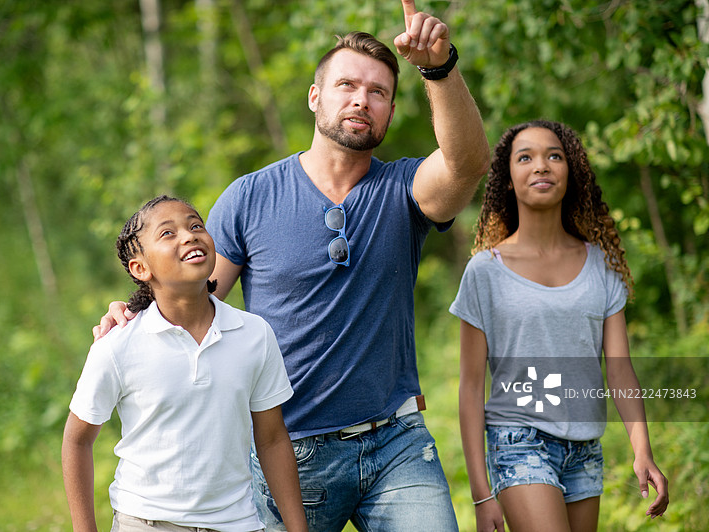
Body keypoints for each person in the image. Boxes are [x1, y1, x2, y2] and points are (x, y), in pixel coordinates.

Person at [94, 1, 490, 529]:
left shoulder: (403, 190)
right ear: (314, 96)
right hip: (289, 447)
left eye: (378, 93)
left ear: (391, 112)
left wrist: (438, 68)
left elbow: (468, 164)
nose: (362, 100)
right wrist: (133, 313)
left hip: (397, 443)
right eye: (347, 85)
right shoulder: (250, 197)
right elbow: (195, 298)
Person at [450, 120, 669, 532]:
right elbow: (470, 385)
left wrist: (643, 450)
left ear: (572, 174)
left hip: (585, 448)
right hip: (518, 441)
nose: (541, 166)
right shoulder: (485, 272)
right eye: (525, 157)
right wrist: (482, 493)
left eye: (554, 155)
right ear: (508, 180)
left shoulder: (602, 266)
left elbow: (620, 369)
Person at [63, 195, 308, 532]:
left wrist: (298, 528)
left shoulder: (255, 334)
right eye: (168, 233)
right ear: (140, 267)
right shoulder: (119, 344)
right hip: (146, 523)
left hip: (238, 524)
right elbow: (77, 441)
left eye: (196, 226)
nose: (189, 235)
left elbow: (272, 439)